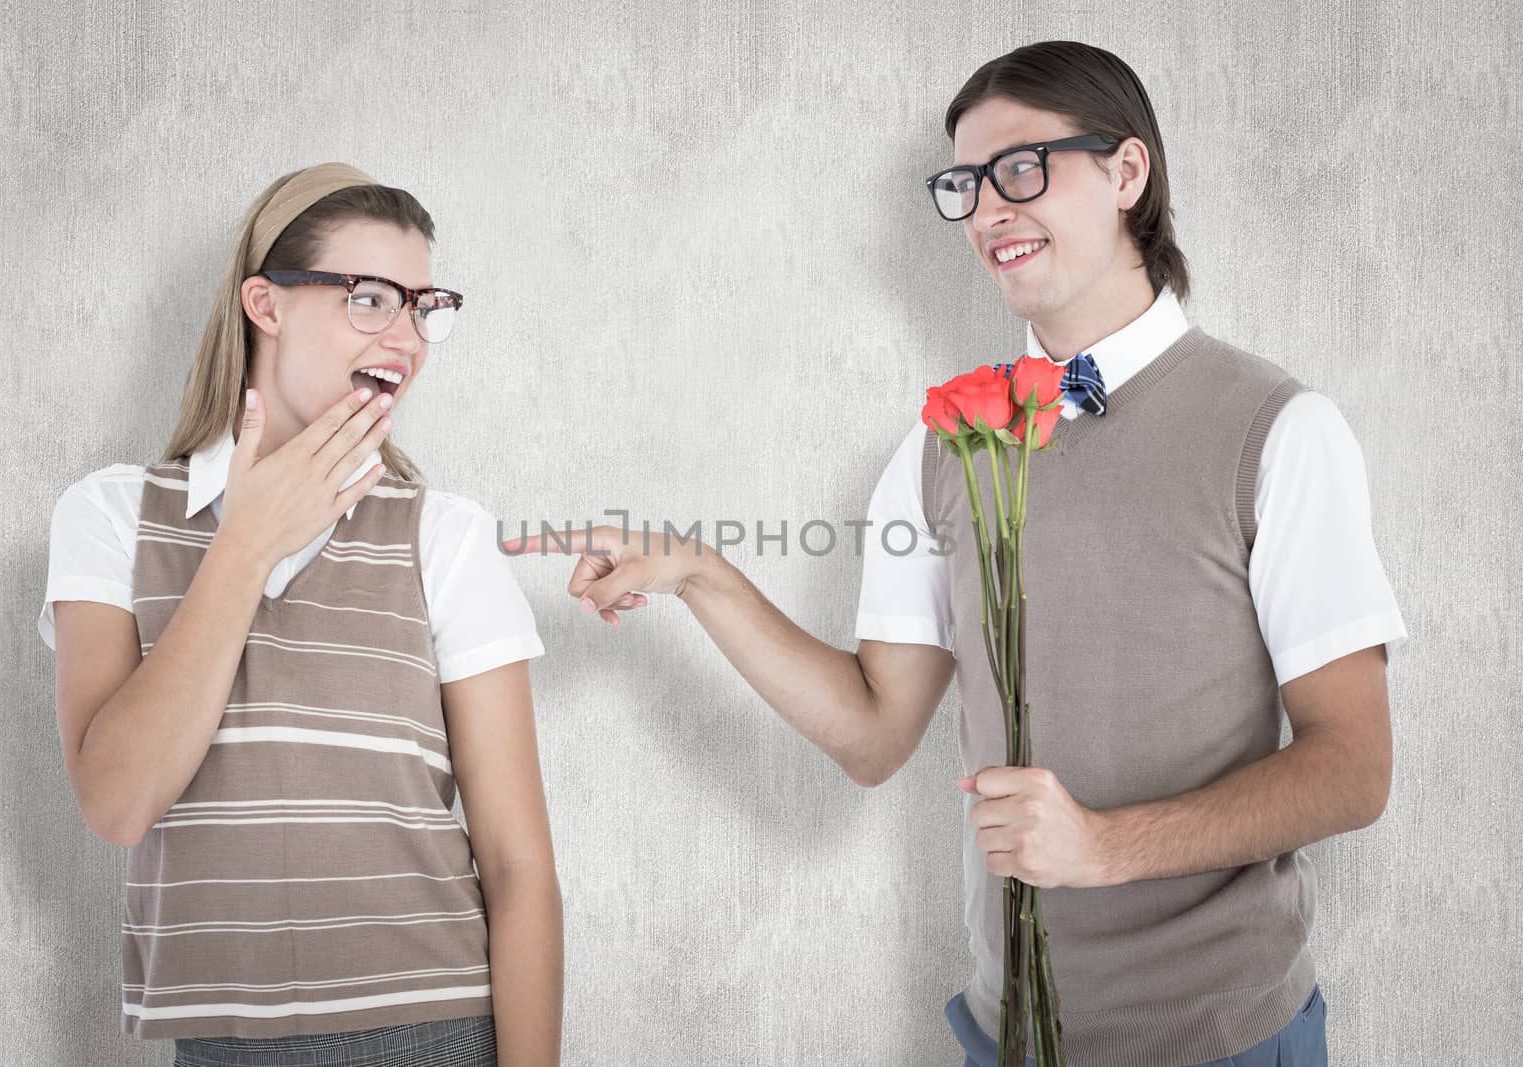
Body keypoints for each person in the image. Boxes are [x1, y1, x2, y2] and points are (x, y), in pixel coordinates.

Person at [509, 42, 1405, 1067]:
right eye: (966, 184)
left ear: (1126, 173)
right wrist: (701, 573)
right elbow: (871, 733)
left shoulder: (1278, 428)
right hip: (1004, 1033)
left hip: (1222, 1039)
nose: (986, 211)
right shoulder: (941, 444)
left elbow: (1353, 766)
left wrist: (1107, 846)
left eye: (1020, 169)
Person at [39, 163, 563, 1067]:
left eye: (422, 306)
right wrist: (242, 547)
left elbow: (519, 871)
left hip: (433, 1035)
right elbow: (119, 803)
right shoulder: (110, 517)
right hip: (219, 1047)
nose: (408, 336)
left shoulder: (442, 534)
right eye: (369, 298)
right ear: (265, 304)